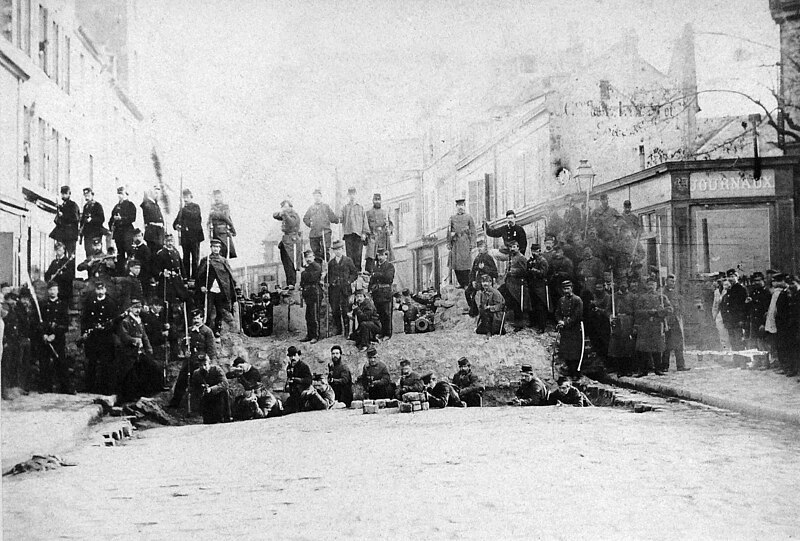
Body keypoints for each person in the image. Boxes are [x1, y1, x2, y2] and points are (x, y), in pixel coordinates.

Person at [115, 299, 163, 402]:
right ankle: (129, 397)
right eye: (135, 308)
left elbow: (144, 336)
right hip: (129, 352)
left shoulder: (139, 320)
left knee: (152, 367)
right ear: (130, 309)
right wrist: (134, 340)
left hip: (140, 352)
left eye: (139, 308)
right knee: (131, 375)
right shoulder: (126, 321)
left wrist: (149, 347)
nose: (137, 310)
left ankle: (150, 392)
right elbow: (124, 336)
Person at [168, 308, 216, 409]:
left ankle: (205, 407)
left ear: (202, 319)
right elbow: (183, 343)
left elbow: (211, 349)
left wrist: (209, 362)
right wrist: (185, 351)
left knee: (202, 382)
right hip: (189, 361)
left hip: (201, 362)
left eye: (198, 318)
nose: (196, 321)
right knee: (181, 380)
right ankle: (174, 404)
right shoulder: (188, 330)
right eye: (194, 318)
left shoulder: (207, 331)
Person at [80, 282, 118, 393]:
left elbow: (115, 322)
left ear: (105, 290)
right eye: (98, 289)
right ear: (95, 290)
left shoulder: (110, 303)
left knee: (105, 363)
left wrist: (106, 328)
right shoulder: (90, 302)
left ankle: (105, 388)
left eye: (102, 289)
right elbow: (85, 319)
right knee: (91, 362)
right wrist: (85, 332)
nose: (100, 291)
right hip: (93, 338)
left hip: (105, 338)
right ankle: (90, 387)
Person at [196, 238, 237, 338]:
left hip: (220, 290)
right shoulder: (206, 260)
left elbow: (228, 276)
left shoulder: (223, 261)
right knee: (208, 311)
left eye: (218, 247)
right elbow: (199, 275)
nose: (216, 249)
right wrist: (202, 286)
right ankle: (207, 330)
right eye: (214, 247)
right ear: (211, 248)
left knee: (220, 310)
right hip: (209, 290)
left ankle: (217, 330)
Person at [634, 276, 673, 377]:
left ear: (656, 285)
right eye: (649, 284)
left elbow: (670, 309)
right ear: (647, 286)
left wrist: (659, 311)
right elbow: (637, 312)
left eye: (653, 284)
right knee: (644, 349)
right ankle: (643, 370)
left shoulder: (662, 297)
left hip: (657, 324)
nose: (651, 286)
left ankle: (658, 369)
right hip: (645, 325)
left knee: (657, 348)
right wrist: (648, 312)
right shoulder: (642, 298)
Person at [38, 282, 71, 393]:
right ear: (48, 291)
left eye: (54, 289)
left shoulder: (62, 305)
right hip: (45, 339)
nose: (52, 291)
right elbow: (39, 322)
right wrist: (44, 334)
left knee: (61, 362)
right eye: (50, 289)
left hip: (58, 338)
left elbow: (65, 324)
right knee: (44, 363)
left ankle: (65, 387)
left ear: (58, 291)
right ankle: (45, 387)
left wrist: (54, 334)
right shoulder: (43, 305)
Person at [327, 239, 358, 337]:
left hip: (345, 290)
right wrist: (331, 282)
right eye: (335, 250)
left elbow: (354, 273)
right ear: (333, 251)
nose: (337, 251)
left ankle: (347, 331)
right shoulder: (331, 263)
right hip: (334, 290)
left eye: (339, 249)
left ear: (342, 249)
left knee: (346, 310)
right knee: (335, 310)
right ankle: (338, 329)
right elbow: (329, 275)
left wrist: (348, 281)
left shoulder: (348, 260)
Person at [498, 240, 530, 330]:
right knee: (502, 296)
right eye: (511, 247)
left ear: (518, 247)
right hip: (509, 283)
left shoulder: (521, 258)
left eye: (514, 247)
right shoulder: (511, 256)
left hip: (517, 285)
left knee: (517, 304)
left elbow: (524, 271)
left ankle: (519, 324)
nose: (512, 249)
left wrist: (513, 272)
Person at [555, 280, 584, 379]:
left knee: (574, 352)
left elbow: (577, 315)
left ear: (572, 288)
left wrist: (566, 322)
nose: (566, 290)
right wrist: (559, 321)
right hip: (565, 330)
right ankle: (569, 371)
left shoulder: (577, 300)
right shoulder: (561, 300)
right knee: (566, 350)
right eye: (564, 288)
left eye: (568, 288)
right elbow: (557, 313)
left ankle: (575, 373)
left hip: (574, 329)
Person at [172, 189, 204, 277]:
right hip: (185, 237)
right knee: (186, 258)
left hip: (195, 237)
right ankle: (186, 277)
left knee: (195, 258)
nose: (185, 199)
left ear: (191, 197)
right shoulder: (182, 210)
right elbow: (174, 223)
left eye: (187, 197)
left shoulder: (196, 207)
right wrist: (177, 226)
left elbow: (194, 216)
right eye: (184, 197)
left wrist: (183, 210)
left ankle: (194, 277)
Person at [191, 353, 231, 424]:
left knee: (224, 392)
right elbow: (193, 388)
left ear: (209, 363)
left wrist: (211, 389)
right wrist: (201, 389)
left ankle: (225, 417)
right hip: (206, 399)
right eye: (201, 365)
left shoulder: (217, 369)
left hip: (219, 397)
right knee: (209, 421)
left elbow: (225, 384)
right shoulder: (196, 374)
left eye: (205, 365)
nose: (203, 367)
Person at [608, 278, 636, 377]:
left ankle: (629, 369)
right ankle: (620, 370)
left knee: (628, 347)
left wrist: (634, 325)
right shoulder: (614, 296)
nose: (623, 285)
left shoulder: (632, 296)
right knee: (618, 346)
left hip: (628, 321)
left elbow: (635, 311)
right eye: (621, 283)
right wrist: (611, 316)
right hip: (618, 321)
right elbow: (608, 310)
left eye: (625, 283)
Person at [661, 274, 689, 373]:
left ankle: (680, 365)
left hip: (676, 319)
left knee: (679, 343)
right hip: (667, 320)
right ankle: (664, 366)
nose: (672, 283)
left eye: (673, 281)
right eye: (670, 281)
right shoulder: (662, 293)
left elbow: (680, 305)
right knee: (667, 344)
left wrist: (681, 313)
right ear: (666, 281)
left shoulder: (676, 292)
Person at [303, 188, 339, 263]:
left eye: (318, 196)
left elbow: (332, 217)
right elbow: (305, 218)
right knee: (316, 252)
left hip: (325, 232)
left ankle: (326, 267)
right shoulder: (311, 208)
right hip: (314, 233)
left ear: (321, 197)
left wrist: (337, 219)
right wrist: (310, 223)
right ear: (313, 197)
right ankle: (318, 269)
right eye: (315, 196)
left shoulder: (326, 207)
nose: (317, 198)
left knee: (325, 250)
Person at [273, 199, 302, 288]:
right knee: (286, 263)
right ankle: (289, 283)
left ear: (290, 207)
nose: (284, 209)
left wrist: (285, 214)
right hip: (285, 240)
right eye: (283, 207)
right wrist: (281, 213)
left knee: (291, 263)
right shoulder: (285, 214)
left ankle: (292, 283)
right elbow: (275, 215)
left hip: (292, 240)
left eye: (286, 207)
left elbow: (292, 223)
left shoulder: (294, 215)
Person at [775, 275, 800, 377]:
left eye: (793, 283)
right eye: (789, 284)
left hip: (798, 325)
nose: (791, 286)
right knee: (793, 348)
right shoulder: (792, 295)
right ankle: (794, 369)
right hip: (791, 325)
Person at [447, 198, 476, 288]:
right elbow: (448, 231)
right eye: (459, 206)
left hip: (465, 242)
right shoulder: (452, 218)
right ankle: (461, 283)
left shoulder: (469, 217)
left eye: (462, 205)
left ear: (464, 206)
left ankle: (467, 283)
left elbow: (473, 231)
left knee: (466, 263)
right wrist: (449, 242)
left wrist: (472, 243)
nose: (461, 207)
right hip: (456, 243)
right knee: (456, 264)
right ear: (456, 207)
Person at [109, 186, 137, 275]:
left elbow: (132, 218)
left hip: (127, 233)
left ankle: (130, 273)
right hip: (118, 234)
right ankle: (121, 273)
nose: (120, 196)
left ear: (126, 195)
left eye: (122, 194)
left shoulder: (130, 205)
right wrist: (111, 226)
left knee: (129, 252)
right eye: (119, 194)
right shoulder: (116, 207)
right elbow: (111, 219)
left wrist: (121, 219)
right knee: (120, 254)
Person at [339, 187, 369, 272]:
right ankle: (350, 271)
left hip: (358, 234)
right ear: (348, 195)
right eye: (350, 194)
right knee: (349, 254)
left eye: (353, 194)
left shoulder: (361, 207)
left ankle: (358, 271)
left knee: (358, 253)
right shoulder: (345, 208)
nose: (352, 196)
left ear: (356, 195)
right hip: (348, 234)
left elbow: (365, 221)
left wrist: (364, 233)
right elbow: (340, 219)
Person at [465, 239, 497, 317]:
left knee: (484, 298)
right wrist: (472, 281)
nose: (479, 249)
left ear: (485, 247)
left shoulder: (488, 257)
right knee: (467, 292)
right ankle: (474, 309)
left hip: (486, 281)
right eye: (478, 247)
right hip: (477, 280)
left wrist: (484, 268)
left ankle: (485, 312)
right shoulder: (477, 258)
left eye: (481, 247)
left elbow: (495, 272)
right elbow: (472, 271)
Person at [154, 233, 189, 304]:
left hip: (177, 280)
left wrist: (185, 280)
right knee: (169, 300)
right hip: (166, 281)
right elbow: (155, 268)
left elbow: (181, 267)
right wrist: (162, 273)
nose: (170, 243)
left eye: (171, 241)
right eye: (168, 241)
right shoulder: (161, 253)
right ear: (164, 242)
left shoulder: (176, 252)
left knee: (186, 297)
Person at [369, 249, 395, 341]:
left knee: (386, 314)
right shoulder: (375, 266)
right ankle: (381, 333)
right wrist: (370, 289)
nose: (380, 257)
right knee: (379, 314)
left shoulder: (389, 266)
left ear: (386, 256)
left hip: (385, 293)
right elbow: (371, 280)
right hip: (377, 293)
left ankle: (388, 334)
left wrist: (376, 274)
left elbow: (388, 277)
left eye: (382, 255)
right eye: (378, 256)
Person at [364, 193, 392, 273]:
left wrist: (389, 230)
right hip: (372, 236)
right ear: (373, 201)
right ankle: (370, 273)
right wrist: (366, 235)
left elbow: (390, 224)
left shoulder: (385, 212)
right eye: (375, 200)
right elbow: (365, 225)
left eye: (379, 200)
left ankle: (383, 272)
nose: (377, 202)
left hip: (383, 237)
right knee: (371, 256)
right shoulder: (368, 213)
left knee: (383, 255)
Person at [720, 269, 747, 351]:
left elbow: (743, 306)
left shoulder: (741, 289)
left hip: (738, 321)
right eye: (729, 277)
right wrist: (725, 320)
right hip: (730, 321)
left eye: (732, 276)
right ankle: (736, 361)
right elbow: (725, 306)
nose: (730, 279)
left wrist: (742, 319)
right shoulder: (729, 290)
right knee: (733, 342)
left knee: (739, 342)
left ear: (737, 277)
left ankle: (742, 362)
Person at [746, 271, 772, 358]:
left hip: (762, 321)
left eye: (758, 280)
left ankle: (765, 362)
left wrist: (763, 323)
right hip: (754, 320)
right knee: (754, 342)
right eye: (755, 281)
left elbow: (768, 310)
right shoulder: (753, 292)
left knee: (763, 343)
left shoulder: (767, 293)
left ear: (763, 280)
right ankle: (757, 361)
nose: (756, 282)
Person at [50, 186, 81, 258]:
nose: (63, 195)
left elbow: (75, 219)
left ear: (69, 194)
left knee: (70, 256)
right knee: (60, 254)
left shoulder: (73, 205)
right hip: (62, 234)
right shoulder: (62, 206)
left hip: (70, 235)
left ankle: (70, 269)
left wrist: (63, 215)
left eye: (65, 194)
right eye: (62, 194)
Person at [299, 249, 322, 343]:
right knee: (308, 315)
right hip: (308, 293)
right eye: (306, 257)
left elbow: (312, 277)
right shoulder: (306, 267)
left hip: (315, 292)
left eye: (310, 257)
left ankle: (316, 336)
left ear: (313, 257)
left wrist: (303, 273)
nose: (308, 259)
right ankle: (309, 334)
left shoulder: (316, 266)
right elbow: (303, 280)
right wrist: (301, 286)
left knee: (314, 315)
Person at [764, 273, 786, 370]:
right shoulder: (775, 293)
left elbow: (776, 309)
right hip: (773, 321)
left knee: (779, 345)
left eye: (776, 281)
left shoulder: (779, 293)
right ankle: (777, 363)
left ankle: (781, 364)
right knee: (774, 344)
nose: (774, 283)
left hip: (777, 322)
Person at [283, 345, 313, 414]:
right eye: (290, 356)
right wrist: (287, 385)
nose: (293, 358)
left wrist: (297, 380)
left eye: (294, 355)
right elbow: (288, 379)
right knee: (285, 409)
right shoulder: (289, 367)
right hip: (294, 395)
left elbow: (309, 380)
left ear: (298, 355)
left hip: (303, 394)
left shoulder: (303, 366)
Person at [208, 189, 237, 259]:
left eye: (218, 197)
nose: (216, 199)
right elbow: (210, 220)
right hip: (215, 232)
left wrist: (233, 229)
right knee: (215, 250)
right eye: (215, 197)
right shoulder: (212, 207)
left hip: (223, 232)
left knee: (223, 250)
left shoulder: (225, 207)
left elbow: (227, 218)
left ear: (221, 197)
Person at [527, 243, 550, 332]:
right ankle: (533, 322)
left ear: (539, 251)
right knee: (532, 305)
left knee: (541, 307)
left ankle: (542, 326)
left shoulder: (543, 261)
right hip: (532, 285)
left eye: (536, 251)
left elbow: (544, 273)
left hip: (540, 286)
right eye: (532, 251)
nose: (534, 253)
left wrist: (534, 270)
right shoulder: (530, 260)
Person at [79, 188, 108, 255]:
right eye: (85, 196)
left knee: (96, 252)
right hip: (87, 234)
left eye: (88, 195)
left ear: (92, 195)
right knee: (88, 252)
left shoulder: (97, 206)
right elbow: (82, 221)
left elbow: (102, 219)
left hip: (96, 233)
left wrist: (92, 219)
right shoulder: (85, 207)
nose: (87, 197)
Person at [141, 187, 165, 254]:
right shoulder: (147, 203)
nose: (157, 195)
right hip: (153, 234)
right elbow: (144, 204)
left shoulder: (155, 204)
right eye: (155, 193)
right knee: (153, 254)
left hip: (158, 234)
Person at [130, 228, 154, 293]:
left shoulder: (145, 249)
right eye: (135, 236)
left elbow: (147, 263)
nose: (137, 238)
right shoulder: (132, 248)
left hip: (144, 274)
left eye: (139, 236)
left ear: (142, 237)